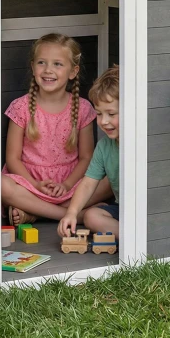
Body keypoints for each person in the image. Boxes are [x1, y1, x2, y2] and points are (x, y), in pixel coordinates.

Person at [2, 33, 111, 225]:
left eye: (57, 64)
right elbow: (12, 159)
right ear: (32, 67)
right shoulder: (20, 107)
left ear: (73, 72)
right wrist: (35, 184)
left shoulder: (83, 108)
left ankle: (36, 213)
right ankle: (72, 215)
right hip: (31, 184)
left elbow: (87, 157)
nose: (48, 70)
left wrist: (66, 184)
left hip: (70, 184)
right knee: (0, 186)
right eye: (42, 62)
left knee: (111, 179)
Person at [58, 65, 120, 241]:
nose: (104, 121)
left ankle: (139, 236)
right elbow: (87, 184)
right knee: (90, 217)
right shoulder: (104, 147)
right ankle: (131, 237)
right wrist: (71, 213)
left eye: (111, 113)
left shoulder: (141, 143)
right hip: (122, 208)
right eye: (99, 114)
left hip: (148, 210)